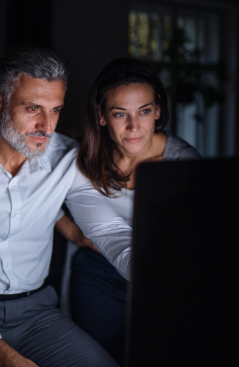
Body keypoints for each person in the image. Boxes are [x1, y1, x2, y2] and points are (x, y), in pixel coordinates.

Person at [0, 45, 133, 367]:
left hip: (37, 314)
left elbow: (108, 229)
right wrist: (4, 356)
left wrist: (152, 274)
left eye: (56, 110)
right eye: (33, 108)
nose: (46, 125)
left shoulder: (67, 160)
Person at [68, 57, 200, 364]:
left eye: (144, 111)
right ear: (101, 116)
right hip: (97, 275)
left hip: (161, 279)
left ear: (157, 111)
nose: (134, 126)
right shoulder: (83, 158)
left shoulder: (185, 163)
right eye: (119, 114)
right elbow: (35, 198)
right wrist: (68, 227)